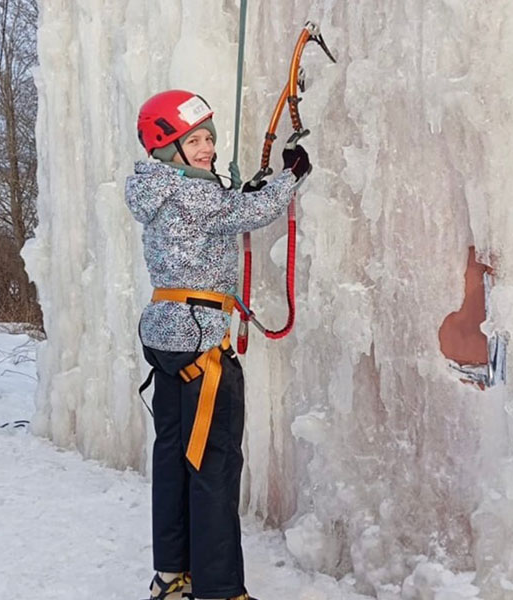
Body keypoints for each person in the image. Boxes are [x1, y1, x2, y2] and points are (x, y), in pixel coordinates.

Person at [126, 90, 311, 600]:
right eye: (195, 140)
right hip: (203, 342)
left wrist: (244, 192)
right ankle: (221, 590)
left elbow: (226, 207)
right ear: (169, 148)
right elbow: (248, 212)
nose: (207, 148)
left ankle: (173, 575)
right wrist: (290, 175)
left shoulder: (159, 189)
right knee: (214, 464)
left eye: (209, 138)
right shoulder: (192, 193)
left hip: (167, 334)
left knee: (173, 458)